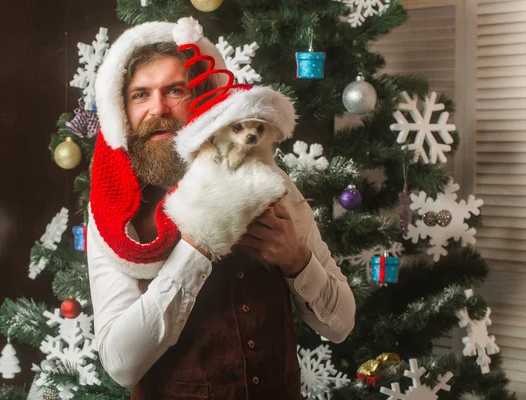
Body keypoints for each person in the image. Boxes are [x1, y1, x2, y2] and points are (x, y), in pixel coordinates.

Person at [87, 17, 356, 400]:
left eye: (174, 90)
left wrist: (298, 260)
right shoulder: (115, 217)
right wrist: (198, 244)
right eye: (141, 95)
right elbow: (120, 364)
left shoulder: (268, 180)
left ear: (200, 95)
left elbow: (341, 324)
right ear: (123, 112)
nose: (158, 107)